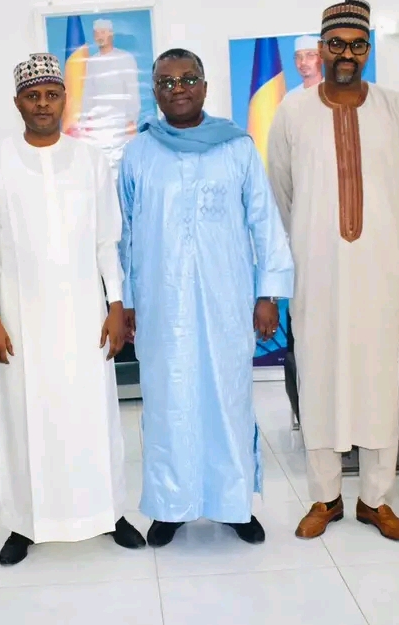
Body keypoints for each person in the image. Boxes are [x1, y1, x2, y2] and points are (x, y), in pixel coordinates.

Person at [0, 53, 146, 565]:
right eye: (33, 96)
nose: (43, 104)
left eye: (51, 94)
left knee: (94, 416)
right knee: (26, 419)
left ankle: (109, 513)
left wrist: (116, 303)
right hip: (21, 317)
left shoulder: (89, 160)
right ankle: (26, 522)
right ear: (17, 102)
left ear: (64, 99)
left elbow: (108, 239)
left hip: (85, 313)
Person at [119, 48, 294, 548]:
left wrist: (268, 294)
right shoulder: (139, 152)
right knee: (168, 403)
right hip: (160, 304)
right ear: (155, 91)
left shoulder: (236, 148)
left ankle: (232, 504)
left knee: (228, 399)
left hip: (226, 299)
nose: (179, 89)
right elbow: (124, 233)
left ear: (204, 86)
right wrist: (126, 301)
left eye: (188, 79)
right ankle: (170, 506)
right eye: (167, 82)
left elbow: (264, 221)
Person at [267, 0, 399, 543]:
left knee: (380, 380)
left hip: (379, 270)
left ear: (369, 49)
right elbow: (282, 192)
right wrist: (316, 237)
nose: (347, 54)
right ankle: (325, 497)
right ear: (321, 47)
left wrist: (380, 235)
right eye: (337, 44)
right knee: (319, 379)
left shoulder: (397, 110)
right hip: (317, 273)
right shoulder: (293, 111)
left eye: (358, 45)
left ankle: (375, 500)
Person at [80, 19, 142, 161]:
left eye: (103, 32)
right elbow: (88, 94)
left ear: (111, 34)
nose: (99, 36)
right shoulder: (92, 62)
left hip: (121, 124)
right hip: (98, 126)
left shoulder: (125, 58)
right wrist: (84, 121)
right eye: (96, 33)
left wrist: (131, 121)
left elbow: (132, 92)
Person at [284, 34, 324, 99]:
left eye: (310, 55)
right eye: (298, 57)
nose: (303, 62)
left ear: (322, 59)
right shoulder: (290, 97)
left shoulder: (334, 92)